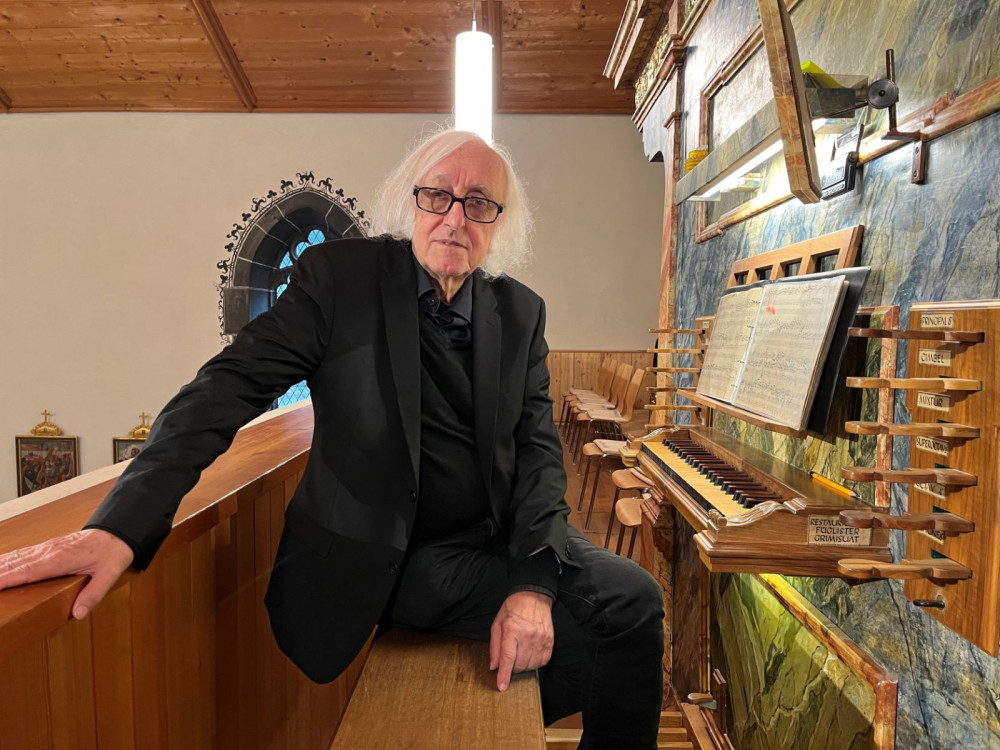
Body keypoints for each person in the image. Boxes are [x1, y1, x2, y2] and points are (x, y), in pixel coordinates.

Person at [0, 130, 664, 748]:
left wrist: (534, 584)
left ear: (499, 224)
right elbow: (225, 388)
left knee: (634, 602)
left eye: (479, 203)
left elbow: (539, 453)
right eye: (438, 195)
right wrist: (121, 524)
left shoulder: (519, 311)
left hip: (496, 534)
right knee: (603, 628)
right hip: (398, 554)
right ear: (410, 202)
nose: (455, 218)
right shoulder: (340, 279)